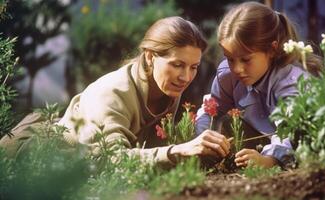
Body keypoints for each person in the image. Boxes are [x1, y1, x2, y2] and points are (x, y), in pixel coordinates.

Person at [0, 16, 231, 168]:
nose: (186, 77)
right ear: (150, 57)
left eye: (193, 67)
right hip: (34, 157)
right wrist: (178, 151)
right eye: (177, 64)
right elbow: (111, 159)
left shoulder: (167, 86)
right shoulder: (112, 93)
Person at [195, 2, 322, 168]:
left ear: (271, 49)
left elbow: (292, 131)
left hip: (304, 142)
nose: (237, 69)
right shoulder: (227, 74)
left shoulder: (290, 81)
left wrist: (268, 160)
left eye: (246, 59)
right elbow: (210, 109)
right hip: (262, 139)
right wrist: (205, 138)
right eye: (230, 58)